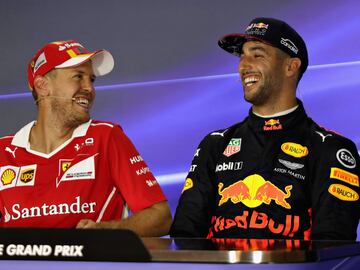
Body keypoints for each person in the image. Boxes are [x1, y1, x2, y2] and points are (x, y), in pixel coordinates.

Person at [170, 18, 360, 240]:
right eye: (242, 56)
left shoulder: (331, 150)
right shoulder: (215, 144)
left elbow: (332, 249)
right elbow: (184, 238)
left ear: (291, 66)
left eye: (257, 54)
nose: (243, 66)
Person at [0, 40, 172, 236]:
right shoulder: (3, 152)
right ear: (42, 86)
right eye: (78, 77)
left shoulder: (106, 137)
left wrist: (104, 231)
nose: (89, 88)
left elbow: (161, 217)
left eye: (91, 79)